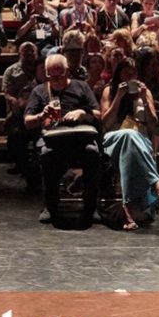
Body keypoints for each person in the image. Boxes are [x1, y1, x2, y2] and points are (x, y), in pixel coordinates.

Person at [24, 53, 102, 225]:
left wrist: (82, 112)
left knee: (92, 153)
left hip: (80, 138)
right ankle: (50, 206)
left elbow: (98, 114)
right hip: (54, 139)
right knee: (47, 154)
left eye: (60, 76)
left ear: (67, 71)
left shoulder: (81, 87)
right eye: (52, 76)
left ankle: (91, 206)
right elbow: (27, 122)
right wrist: (41, 116)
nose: (57, 80)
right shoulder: (39, 91)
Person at [100, 59, 159, 229]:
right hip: (114, 139)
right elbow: (106, 123)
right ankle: (155, 182)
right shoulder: (109, 90)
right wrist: (119, 96)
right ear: (119, 73)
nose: (130, 74)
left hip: (140, 141)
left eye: (133, 71)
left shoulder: (145, 92)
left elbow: (153, 125)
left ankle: (127, 208)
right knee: (129, 134)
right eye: (126, 71)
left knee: (132, 142)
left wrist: (145, 100)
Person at [3, 42, 40, 181]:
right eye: (26, 51)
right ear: (20, 53)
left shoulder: (41, 69)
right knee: (15, 136)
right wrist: (15, 102)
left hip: (38, 110)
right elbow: (7, 92)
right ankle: (23, 166)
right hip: (19, 110)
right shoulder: (11, 71)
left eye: (32, 51)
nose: (29, 54)